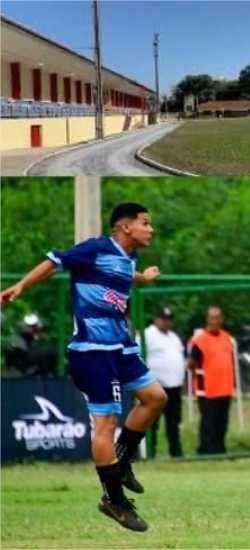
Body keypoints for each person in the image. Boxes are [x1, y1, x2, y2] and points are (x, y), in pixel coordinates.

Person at [0, 202, 165, 531]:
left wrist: (142, 278)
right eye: (145, 223)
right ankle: (114, 500)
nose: (151, 229)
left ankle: (121, 460)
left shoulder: (127, 257)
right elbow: (54, 261)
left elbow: (122, 274)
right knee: (105, 423)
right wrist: (21, 286)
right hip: (93, 350)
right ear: (125, 226)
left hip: (119, 347)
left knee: (155, 397)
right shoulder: (95, 248)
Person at [188, 306, 236, 455]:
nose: (214, 321)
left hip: (225, 387)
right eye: (212, 318)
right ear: (207, 319)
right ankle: (205, 449)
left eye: (217, 318)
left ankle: (220, 448)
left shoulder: (226, 337)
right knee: (208, 420)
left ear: (221, 319)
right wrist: (197, 375)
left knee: (222, 420)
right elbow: (192, 362)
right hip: (207, 388)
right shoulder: (200, 339)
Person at [142, 307, 186, 458]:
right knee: (152, 422)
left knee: (173, 422)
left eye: (169, 319)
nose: (166, 322)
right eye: (163, 319)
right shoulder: (147, 335)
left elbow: (179, 358)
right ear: (156, 319)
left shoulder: (174, 337)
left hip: (174, 387)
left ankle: (176, 452)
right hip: (156, 386)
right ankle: (150, 452)